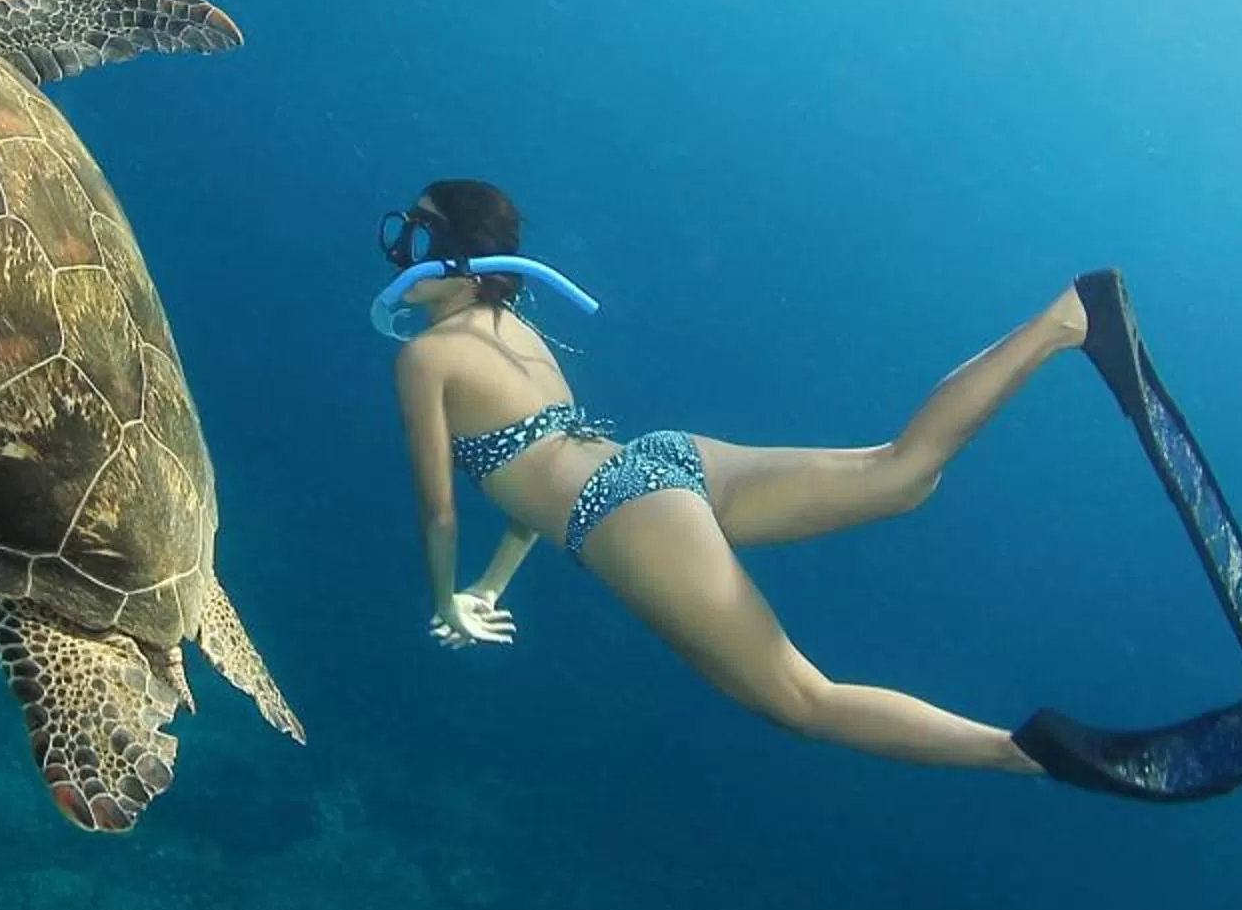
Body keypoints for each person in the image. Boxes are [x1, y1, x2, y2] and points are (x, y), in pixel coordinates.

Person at [380, 179, 1091, 777]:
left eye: (418, 234)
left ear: (458, 259)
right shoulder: (515, 330)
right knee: (900, 473)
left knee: (802, 701)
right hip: (662, 461)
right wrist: (491, 585)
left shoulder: (426, 358)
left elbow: (439, 514)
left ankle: (1036, 757)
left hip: (618, 511)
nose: (401, 249)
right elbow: (537, 474)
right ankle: (1066, 320)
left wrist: (447, 601)